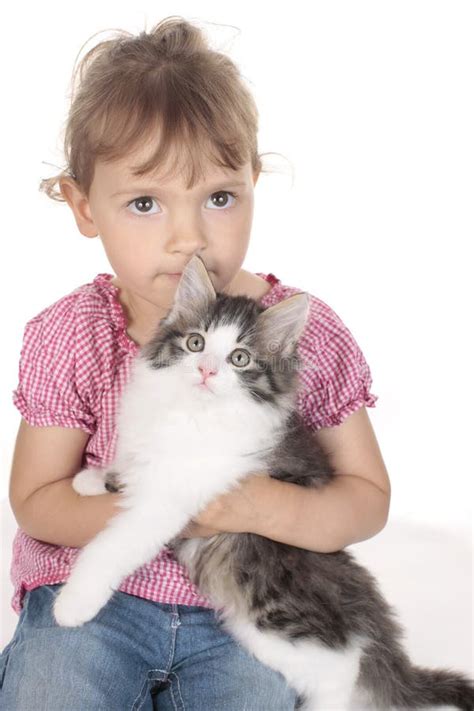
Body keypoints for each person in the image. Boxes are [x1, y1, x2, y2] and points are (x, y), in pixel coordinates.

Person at [0, 16, 391, 711]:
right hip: (95, 598)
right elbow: (36, 500)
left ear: (254, 182)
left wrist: (262, 505)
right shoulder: (73, 334)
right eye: (146, 202)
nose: (189, 237)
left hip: (239, 616)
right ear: (85, 206)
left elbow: (366, 496)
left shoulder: (298, 327)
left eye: (218, 197)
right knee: (48, 691)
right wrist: (171, 511)